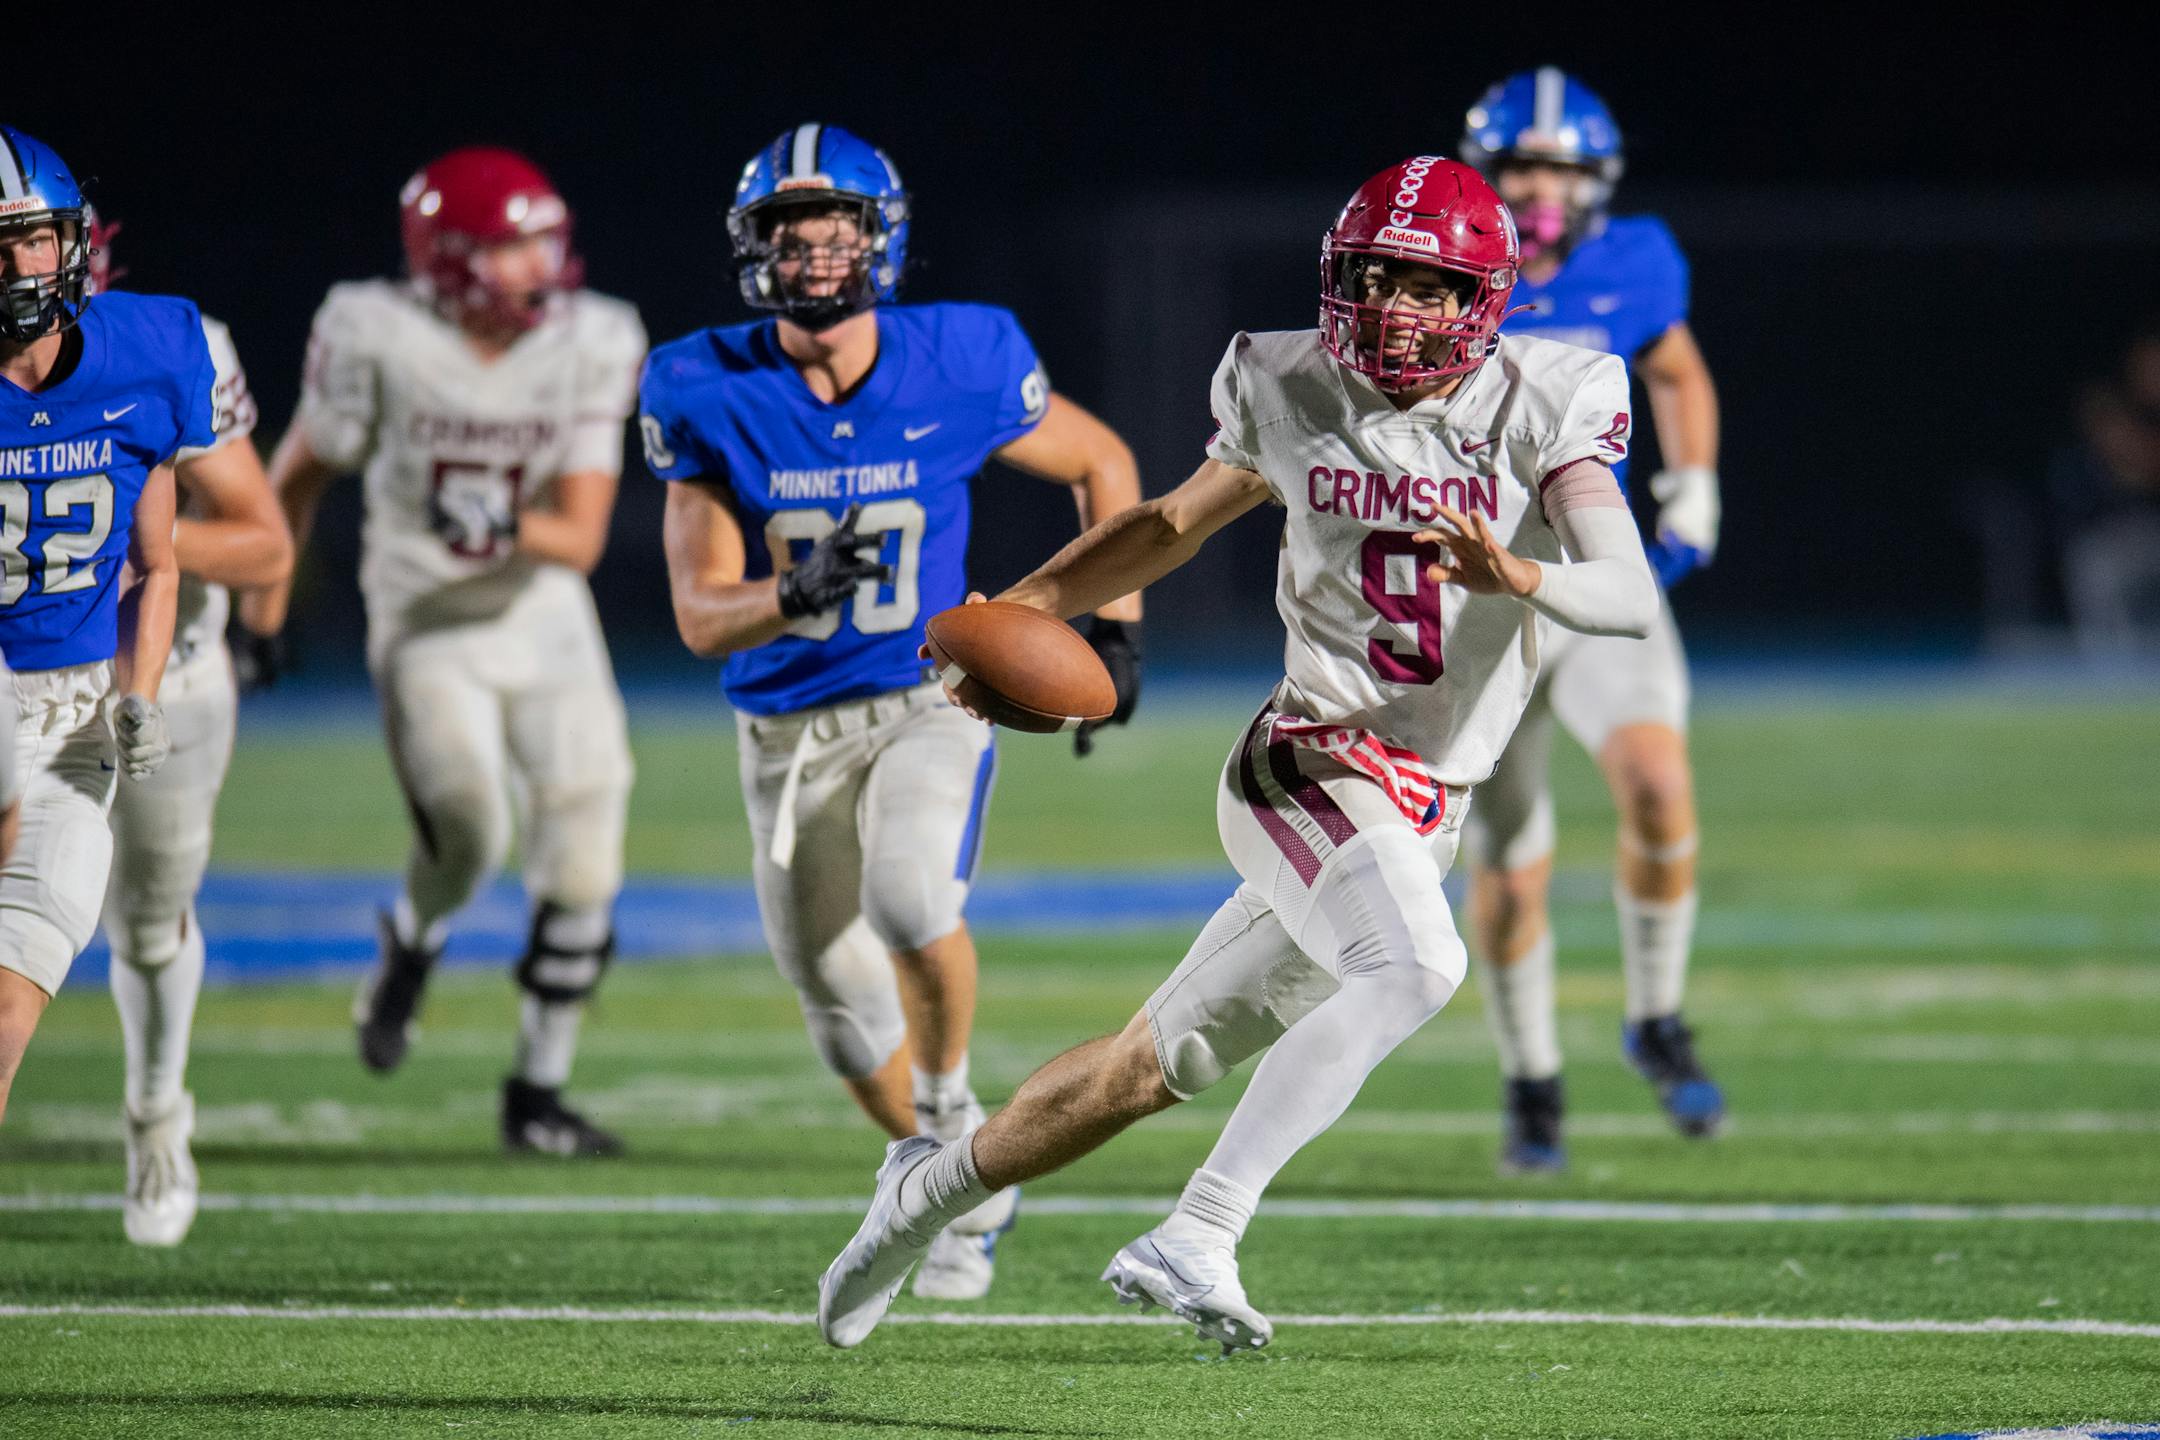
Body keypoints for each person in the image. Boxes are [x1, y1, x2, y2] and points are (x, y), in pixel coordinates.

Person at [816, 156, 1656, 1352]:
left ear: (1483, 296)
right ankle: (1201, 1229)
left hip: (1427, 797)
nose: (1396, 309)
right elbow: (1166, 525)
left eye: (1426, 286)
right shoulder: (1286, 380)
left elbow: (1625, 594)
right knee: (1416, 968)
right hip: (1310, 761)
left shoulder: (1548, 397)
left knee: (1148, 1068)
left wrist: (1519, 572)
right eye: (1375, 277)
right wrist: (1024, 609)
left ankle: (926, 1190)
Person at [643, 123, 1143, 1301]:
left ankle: (959, 1125)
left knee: (910, 896)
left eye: (838, 230)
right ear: (751, 246)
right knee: (834, 1003)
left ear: (882, 238)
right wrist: (786, 594)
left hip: (933, 691)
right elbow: (701, 619)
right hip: (784, 727)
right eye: (789, 232)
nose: (816, 255)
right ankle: (942, 1157)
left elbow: (1106, 464)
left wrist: (1114, 633)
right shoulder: (698, 381)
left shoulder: (964, 355)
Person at [242, 148, 646, 1155]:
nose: (539, 263)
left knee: (587, 850)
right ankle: (412, 942)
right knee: (469, 836)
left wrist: (503, 519)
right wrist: (261, 607)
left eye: (542, 239)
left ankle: (537, 1094)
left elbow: (582, 535)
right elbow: (293, 477)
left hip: (544, 616)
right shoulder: (374, 333)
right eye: (513, 246)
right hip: (425, 623)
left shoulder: (595, 337)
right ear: (452, 258)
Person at [1456, 68, 1727, 1170]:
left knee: (1659, 785)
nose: (1541, 185)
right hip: (1480, 593)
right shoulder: (1446, 268)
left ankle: (1656, 1015)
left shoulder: (1636, 258)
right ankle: (1531, 1078)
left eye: (1561, 165)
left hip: (1597, 574)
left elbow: (1676, 367)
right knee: (1513, 861)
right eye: (1522, 163)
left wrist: (1695, 479)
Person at [82, 212, 293, 1244]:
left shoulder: (173, 346)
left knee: (151, 920)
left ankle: (157, 1111)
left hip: (166, 677)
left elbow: (263, 544)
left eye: (30, 243)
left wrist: (148, 546)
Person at [0, 126, 202, 1125]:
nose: (17, 264)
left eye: (32, 237)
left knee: (6, 1020)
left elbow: (156, 563)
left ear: (70, 240)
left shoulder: (148, 355)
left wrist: (141, 693)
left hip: (72, 733)